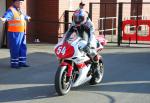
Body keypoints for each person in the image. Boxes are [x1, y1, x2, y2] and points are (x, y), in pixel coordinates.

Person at [65, 2, 100, 77]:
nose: (77, 20)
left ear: (84, 17)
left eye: (79, 18)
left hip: (89, 37)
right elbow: (69, 31)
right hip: (80, 38)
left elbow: (92, 34)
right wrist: (64, 40)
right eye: (76, 18)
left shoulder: (89, 24)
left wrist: (89, 44)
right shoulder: (74, 22)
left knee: (91, 50)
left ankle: (96, 67)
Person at [0, 0, 31, 69]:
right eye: (19, 2)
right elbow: (7, 16)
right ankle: (14, 63)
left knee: (22, 47)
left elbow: (23, 16)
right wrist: (4, 19)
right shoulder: (11, 10)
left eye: (21, 2)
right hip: (14, 33)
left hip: (22, 32)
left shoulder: (20, 10)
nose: (21, 3)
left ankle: (22, 62)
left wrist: (27, 17)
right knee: (15, 47)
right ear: (14, 2)